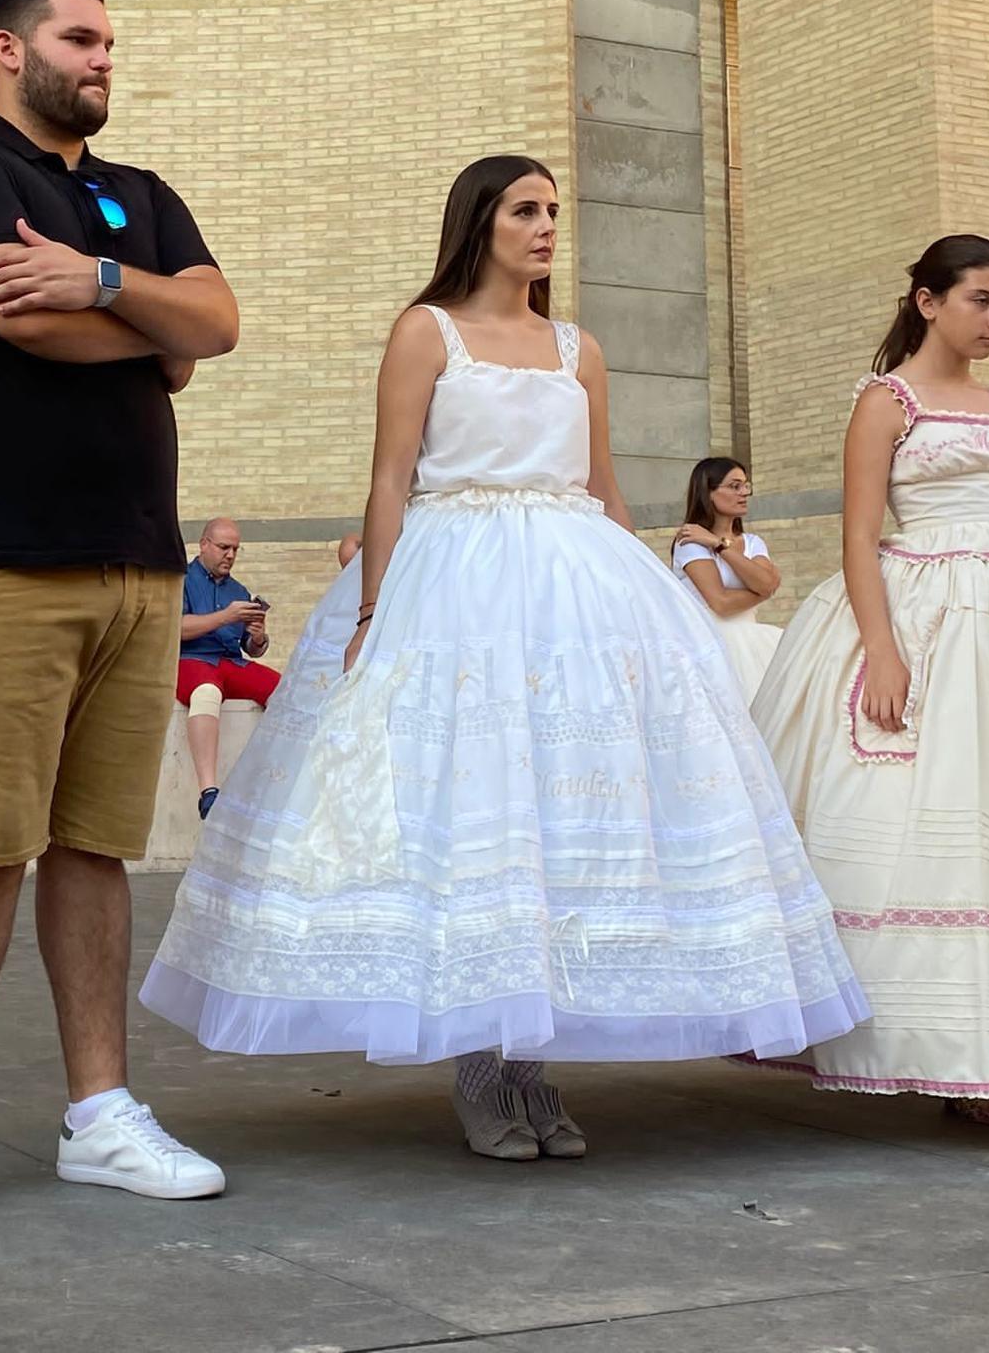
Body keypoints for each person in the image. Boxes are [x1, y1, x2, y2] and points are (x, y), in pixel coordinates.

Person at [141, 155, 866, 1166]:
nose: (545, 226)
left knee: (565, 822)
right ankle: (481, 1061)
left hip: (575, 583)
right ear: (480, 220)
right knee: (470, 811)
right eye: (526, 209)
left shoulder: (579, 347)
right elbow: (390, 478)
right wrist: (375, 608)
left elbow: (605, 487)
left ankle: (532, 1057)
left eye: (554, 211)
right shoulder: (425, 331)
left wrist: (658, 613)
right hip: (454, 582)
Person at [0, 0, 239, 1225]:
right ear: (7, 49)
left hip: (141, 567)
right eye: (79, 37)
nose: (102, 58)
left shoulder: (136, 194)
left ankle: (100, 1113)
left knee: (95, 849)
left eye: (108, 41)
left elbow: (221, 322)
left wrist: (97, 283)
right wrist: (151, 318)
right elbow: (16, 316)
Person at [751, 235, 989, 1122]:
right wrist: (882, 648)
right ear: (927, 302)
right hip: (921, 611)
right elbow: (859, 537)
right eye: (980, 301)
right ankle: (958, 1059)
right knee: (928, 820)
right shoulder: (888, 402)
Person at [179, 517, 280, 818]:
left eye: (235, 549)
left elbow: (251, 648)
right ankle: (208, 791)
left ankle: (279, 785)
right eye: (224, 547)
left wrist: (258, 638)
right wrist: (225, 616)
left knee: (285, 691)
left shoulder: (239, 589)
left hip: (230, 661)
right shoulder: (179, 579)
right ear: (204, 544)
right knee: (207, 691)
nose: (230, 555)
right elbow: (175, 629)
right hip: (189, 660)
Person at [672, 457, 783, 701]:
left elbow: (764, 584)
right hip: (709, 646)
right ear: (709, 492)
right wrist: (762, 592)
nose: (744, 492)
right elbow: (721, 603)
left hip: (753, 643)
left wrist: (718, 544)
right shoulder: (690, 540)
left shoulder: (753, 542)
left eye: (746, 485)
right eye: (734, 486)